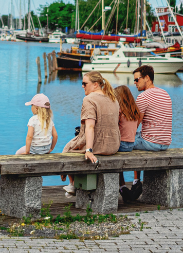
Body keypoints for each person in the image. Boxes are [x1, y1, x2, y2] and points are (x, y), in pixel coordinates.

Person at [61, 71, 120, 196]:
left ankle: (72, 184)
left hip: (98, 145)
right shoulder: (113, 98)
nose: (82, 86)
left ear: (96, 84)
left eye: (85, 83)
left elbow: (90, 126)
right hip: (113, 145)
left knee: (67, 150)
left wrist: (89, 150)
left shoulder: (89, 99)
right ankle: (73, 183)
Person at [129, 65, 173, 200]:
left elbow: (135, 124)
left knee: (124, 142)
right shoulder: (165, 94)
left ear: (147, 78)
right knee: (136, 137)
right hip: (165, 143)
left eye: (137, 79)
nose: (135, 83)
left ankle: (135, 182)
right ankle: (136, 181)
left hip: (150, 143)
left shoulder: (143, 97)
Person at [113, 85, 143, 200]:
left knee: (111, 156)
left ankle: (122, 185)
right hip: (131, 144)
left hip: (121, 145)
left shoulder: (119, 110)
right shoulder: (134, 110)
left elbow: (114, 127)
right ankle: (136, 180)